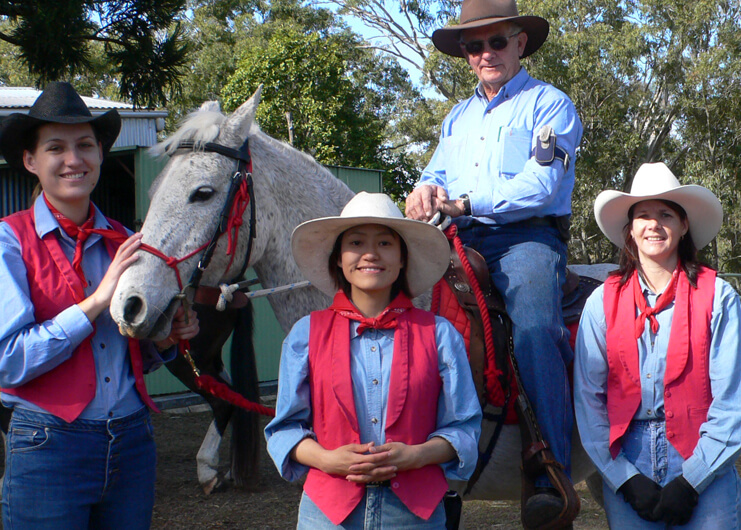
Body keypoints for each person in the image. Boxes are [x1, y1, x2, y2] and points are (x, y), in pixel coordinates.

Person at [405, 0, 583, 524]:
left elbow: (541, 184)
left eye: (497, 41)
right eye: (474, 45)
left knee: (531, 327)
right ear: (465, 54)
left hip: (524, 238)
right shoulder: (456, 118)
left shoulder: (549, 104)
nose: (487, 53)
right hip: (455, 239)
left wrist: (465, 203)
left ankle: (548, 469)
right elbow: (435, 172)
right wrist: (424, 191)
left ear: (520, 43)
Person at [0, 81, 199, 529]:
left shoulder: (126, 242)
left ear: (100, 156)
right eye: (56, 148)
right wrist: (96, 301)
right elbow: (8, 362)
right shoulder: (8, 240)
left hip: (132, 440)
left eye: (85, 145)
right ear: (31, 161)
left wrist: (164, 340)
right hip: (49, 443)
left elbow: (131, 357)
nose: (74, 159)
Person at [265, 192, 482, 528]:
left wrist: (416, 455)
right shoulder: (305, 334)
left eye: (384, 243)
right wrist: (327, 459)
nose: (370, 253)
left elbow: (464, 428)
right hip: (327, 514)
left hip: (414, 516)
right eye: (356, 242)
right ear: (338, 258)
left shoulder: (440, 335)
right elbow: (284, 429)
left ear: (401, 259)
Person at [574, 162, 741, 527]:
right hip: (628, 458)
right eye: (643, 215)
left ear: (683, 226)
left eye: (666, 214)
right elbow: (589, 402)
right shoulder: (601, 303)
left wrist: (692, 481)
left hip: (703, 454)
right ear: (630, 231)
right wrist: (624, 479)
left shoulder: (720, 297)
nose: (654, 224)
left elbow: (733, 401)